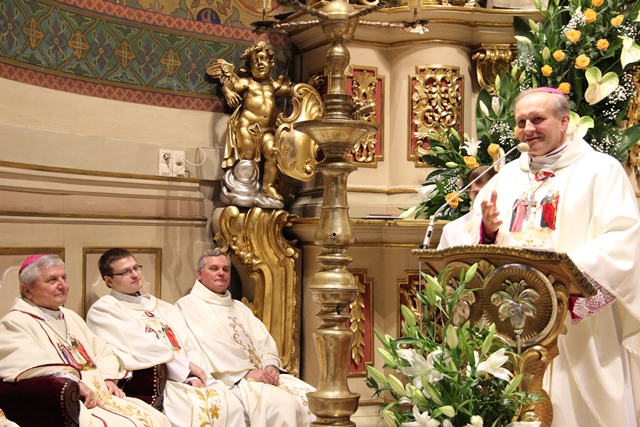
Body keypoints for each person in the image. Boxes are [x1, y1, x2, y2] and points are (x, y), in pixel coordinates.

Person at [474, 87, 640, 426]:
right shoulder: (508, 176)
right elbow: (475, 235)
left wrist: (564, 280)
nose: (527, 129)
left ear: (565, 122)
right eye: (521, 122)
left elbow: (624, 237)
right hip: (516, 319)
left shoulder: (601, 170)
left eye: (537, 119)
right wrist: (487, 230)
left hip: (575, 320)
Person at [0, 254, 171, 427]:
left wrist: (108, 378)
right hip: (77, 403)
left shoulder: (70, 316)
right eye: (52, 280)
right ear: (27, 290)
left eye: (64, 278)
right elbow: (28, 364)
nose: (63, 285)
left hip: (103, 397)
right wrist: (73, 382)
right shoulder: (15, 323)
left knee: (157, 420)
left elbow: (101, 350)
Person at [85, 248, 247, 427]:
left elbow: (188, 343)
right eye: (125, 272)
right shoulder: (105, 310)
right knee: (193, 411)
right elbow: (142, 347)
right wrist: (186, 371)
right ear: (109, 281)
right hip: (163, 382)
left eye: (136, 268)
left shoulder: (164, 307)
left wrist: (199, 374)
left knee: (230, 404)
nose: (135, 275)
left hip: (189, 376)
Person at [176, 249, 316, 427]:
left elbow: (263, 340)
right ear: (199, 273)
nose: (221, 273)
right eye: (214, 268)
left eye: (226, 269)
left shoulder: (239, 307)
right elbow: (201, 350)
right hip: (232, 381)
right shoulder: (187, 307)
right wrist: (244, 374)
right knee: (283, 406)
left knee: (312, 398)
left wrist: (271, 366)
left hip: (262, 376)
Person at [437, 165, 496, 249]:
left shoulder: (511, 226)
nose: (481, 199)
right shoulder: (451, 229)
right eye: (476, 193)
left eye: (486, 193)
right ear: (470, 194)